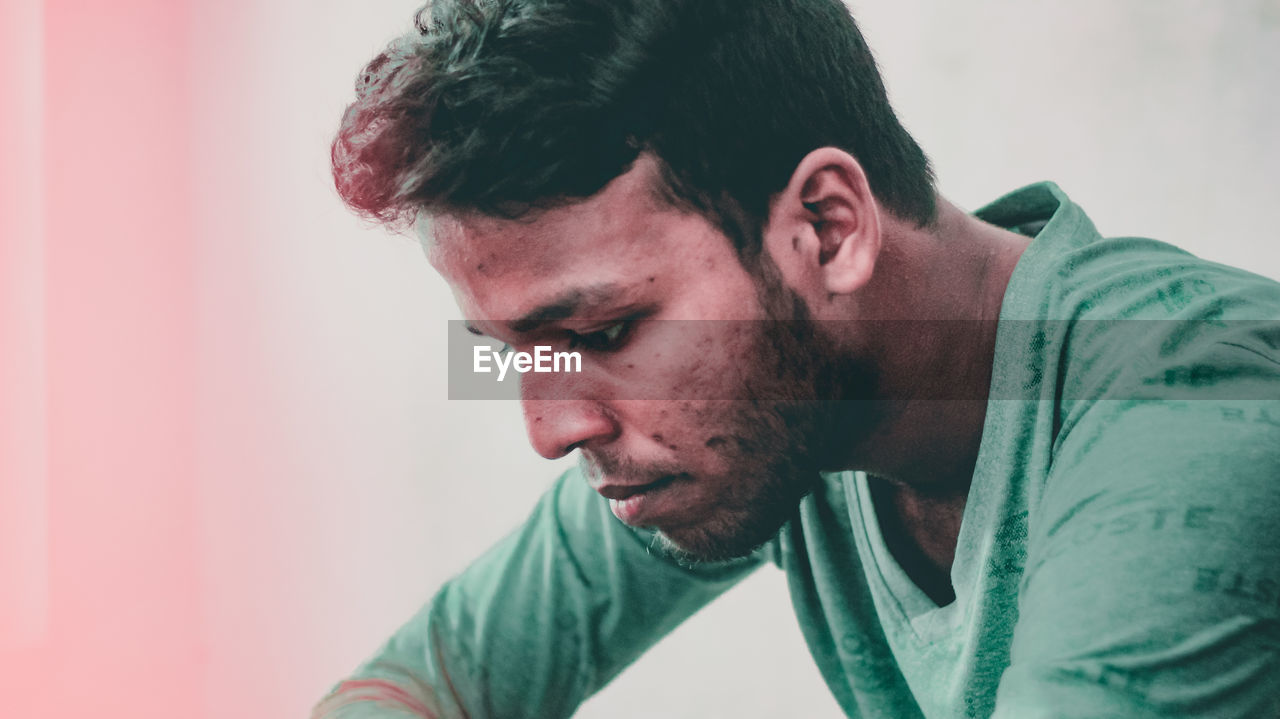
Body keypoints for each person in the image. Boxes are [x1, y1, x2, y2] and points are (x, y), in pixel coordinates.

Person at [312, 0, 1280, 716]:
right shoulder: (777, 407)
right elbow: (427, 681)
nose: (554, 427)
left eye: (603, 333)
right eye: (510, 352)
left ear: (824, 227)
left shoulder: (1185, 405)